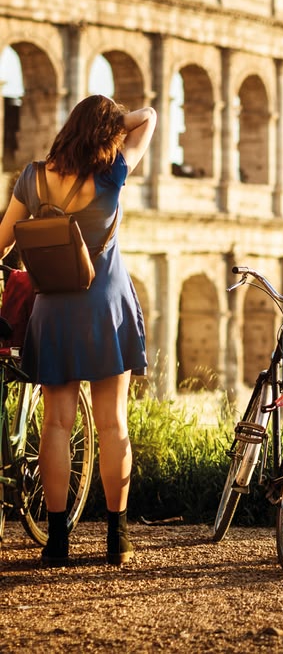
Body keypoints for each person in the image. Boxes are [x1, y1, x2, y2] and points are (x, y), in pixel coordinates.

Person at [0, 94, 157, 566]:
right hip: (105, 305)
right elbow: (146, 118)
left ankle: (57, 541)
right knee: (112, 425)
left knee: (55, 425)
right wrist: (114, 122)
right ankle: (118, 539)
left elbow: (4, 237)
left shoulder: (33, 176)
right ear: (106, 134)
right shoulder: (112, 173)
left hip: (53, 311)